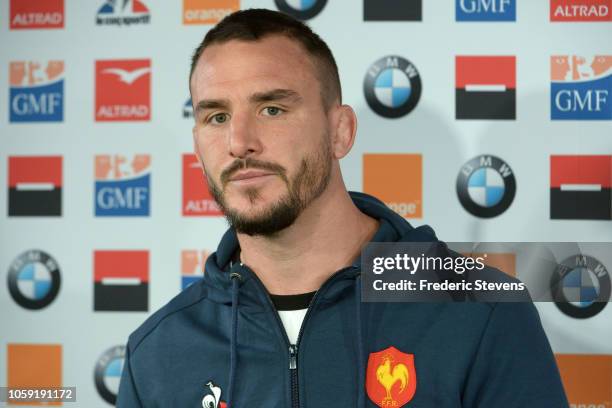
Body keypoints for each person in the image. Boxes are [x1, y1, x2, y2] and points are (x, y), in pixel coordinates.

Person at [117, 9, 568, 407]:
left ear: (341, 131)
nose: (240, 143)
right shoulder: (158, 353)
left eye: (272, 109)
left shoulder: (481, 312)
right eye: (216, 117)